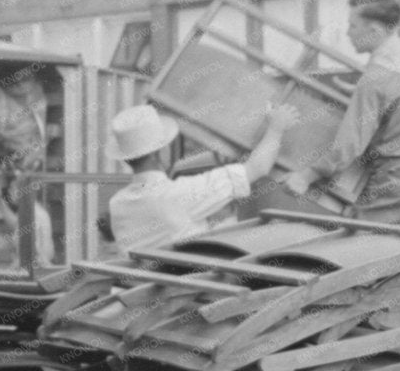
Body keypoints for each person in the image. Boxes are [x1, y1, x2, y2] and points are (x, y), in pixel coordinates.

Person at [282, 0, 400, 229]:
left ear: (375, 31)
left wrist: (306, 176)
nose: (348, 33)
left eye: (353, 26)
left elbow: (350, 144)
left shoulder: (375, 78)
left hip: (399, 177)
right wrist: (361, 94)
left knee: (360, 246)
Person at [106, 101, 296, 255]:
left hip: (142, 285)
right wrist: (276, 129)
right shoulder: (176, 194)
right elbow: (257, 168)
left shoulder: (117, 204)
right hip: (186, 286)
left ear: (127, 159)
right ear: (160, 152)